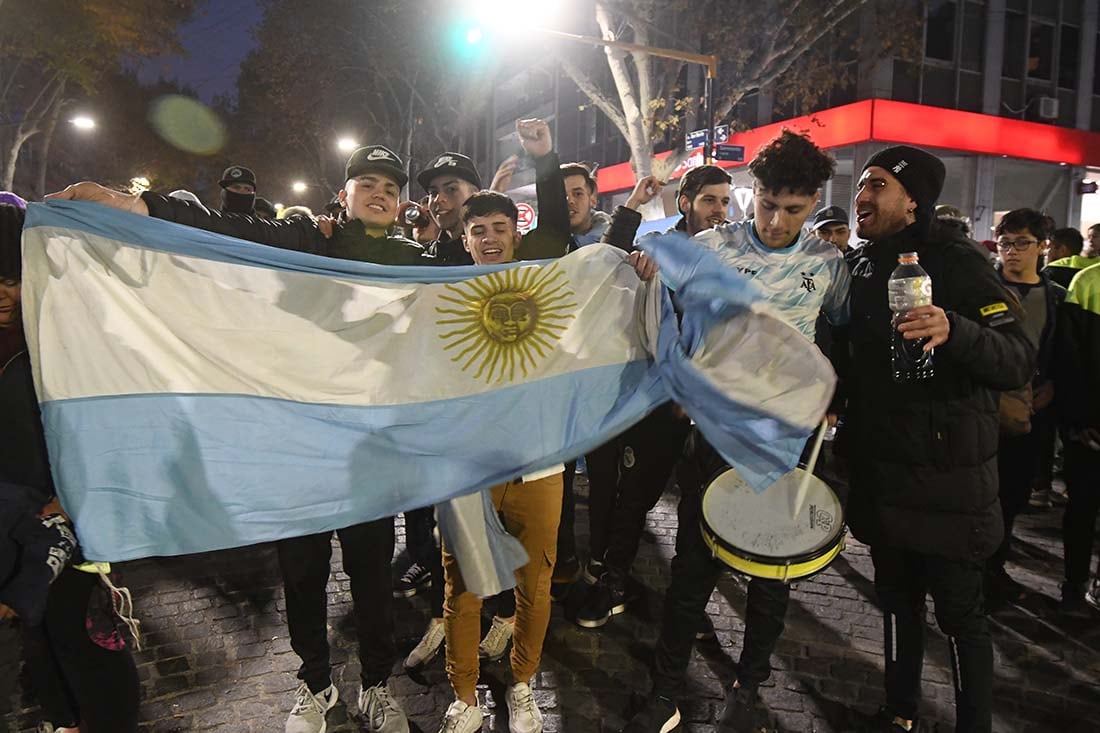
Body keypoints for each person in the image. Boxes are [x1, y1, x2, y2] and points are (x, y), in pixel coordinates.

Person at [50, 145, 442, 733]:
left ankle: (378, 685)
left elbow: (490, 284)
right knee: (303, 578)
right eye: (366, 183)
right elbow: (223, 228)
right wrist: (132, 204)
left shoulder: (416, 264)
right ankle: (316, 686)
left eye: (389, 185)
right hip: (298, 454)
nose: (379, 192)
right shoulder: (309, 239)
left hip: (370, 457)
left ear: (401, 201)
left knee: (371, 582)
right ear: (345, 194)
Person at [621, 131, 850, 733]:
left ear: (814, 203)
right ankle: (666, 692)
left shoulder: (828, 263)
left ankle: (749, 683)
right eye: (767, 203)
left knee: (771, 573)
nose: (775, 221)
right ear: (754, 192)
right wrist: (646, 265)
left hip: (785, 442)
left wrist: (833, 395)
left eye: (793, 210)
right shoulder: (710, 246)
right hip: (715, 437)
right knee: (692, 569)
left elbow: (844, 336)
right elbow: (655, 298)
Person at [437, 191, 654, 733]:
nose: (489, 238)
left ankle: (523, 685)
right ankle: (463, 698)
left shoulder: (544, 287)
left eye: (499, 228)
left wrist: (632, 238)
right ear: (464, 240)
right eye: (478, 230)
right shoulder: (436, 297)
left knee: (534, 588)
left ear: (516, 233)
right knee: (463, 590)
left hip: (538, 469)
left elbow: (596, 280)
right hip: (468, 474)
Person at [842, 145, 1034, 732]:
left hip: (949, 482)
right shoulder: (862, 264)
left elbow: (1017, 358)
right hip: (883, 475)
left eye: (877, 184)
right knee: (897, 605)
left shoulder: (957, 260)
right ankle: (899, 712)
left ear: (912, 200)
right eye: (861, 184)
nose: (862, 195)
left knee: (960, 619)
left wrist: (957, 331)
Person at [1, 202, 142, 733]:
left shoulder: (64, 336)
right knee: (39, 637)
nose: (1, 292)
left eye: (12, 278)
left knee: (84, 634)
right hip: (15, 526)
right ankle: (63, 721)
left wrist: (72, 499)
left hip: (73, 520)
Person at [574, 164, 731, 631]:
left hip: (703, 404)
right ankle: (611, 577)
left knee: (681, 502)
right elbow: (607, 263)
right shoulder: (657, 249)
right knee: (626, 489)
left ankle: (684, 603)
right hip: (643, 394)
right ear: (685, 203)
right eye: (709, 200)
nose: (719, 211)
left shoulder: (735, 253)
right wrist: (633, 212)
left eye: (725, 201)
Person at [985, 209, 1064, 606]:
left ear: (1042, 246)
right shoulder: (983, 289)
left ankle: (994, 569)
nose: (1011, 252)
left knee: (1012, 495)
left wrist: (1050, 386)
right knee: (980, 494)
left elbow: (1059, 353)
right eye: (1005, 243)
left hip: (1029, 411)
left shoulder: (1055, 298)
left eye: (1021, 243)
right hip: (984, 409)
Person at [418, 119, 570, 266]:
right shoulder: (424, 259)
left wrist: (544, 158)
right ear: (466, 243)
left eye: (451, 189)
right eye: (433, 192)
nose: (439, 199)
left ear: (474, 194)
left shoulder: (513, 250)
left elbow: (554, 233)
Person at [1055, 261, 1100, 616]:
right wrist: (1079, 419)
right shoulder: (1087, 282)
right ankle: (1075, 585)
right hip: (1090, 431)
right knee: (1082, 508)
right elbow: (1070, 359)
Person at [560, 162, 611, 247]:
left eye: (578, 194)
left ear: (592, 199)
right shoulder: (538, 248)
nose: (570, 201)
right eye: (561, 195)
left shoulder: (616, 245)